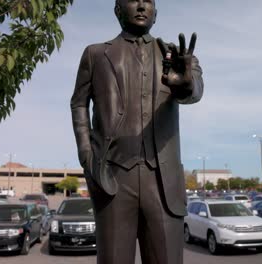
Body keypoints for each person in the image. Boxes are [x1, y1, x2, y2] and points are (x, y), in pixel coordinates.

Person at [70, 1, 203, 263]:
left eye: (149, 1)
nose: (142, 6)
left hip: (163, 182)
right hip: (113, 177)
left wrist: (186, 84)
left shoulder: (177, 57)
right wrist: (87, 155)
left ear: (156, 13)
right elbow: (78, 103)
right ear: (117, 10)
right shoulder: (95, 54)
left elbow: (194, 91)